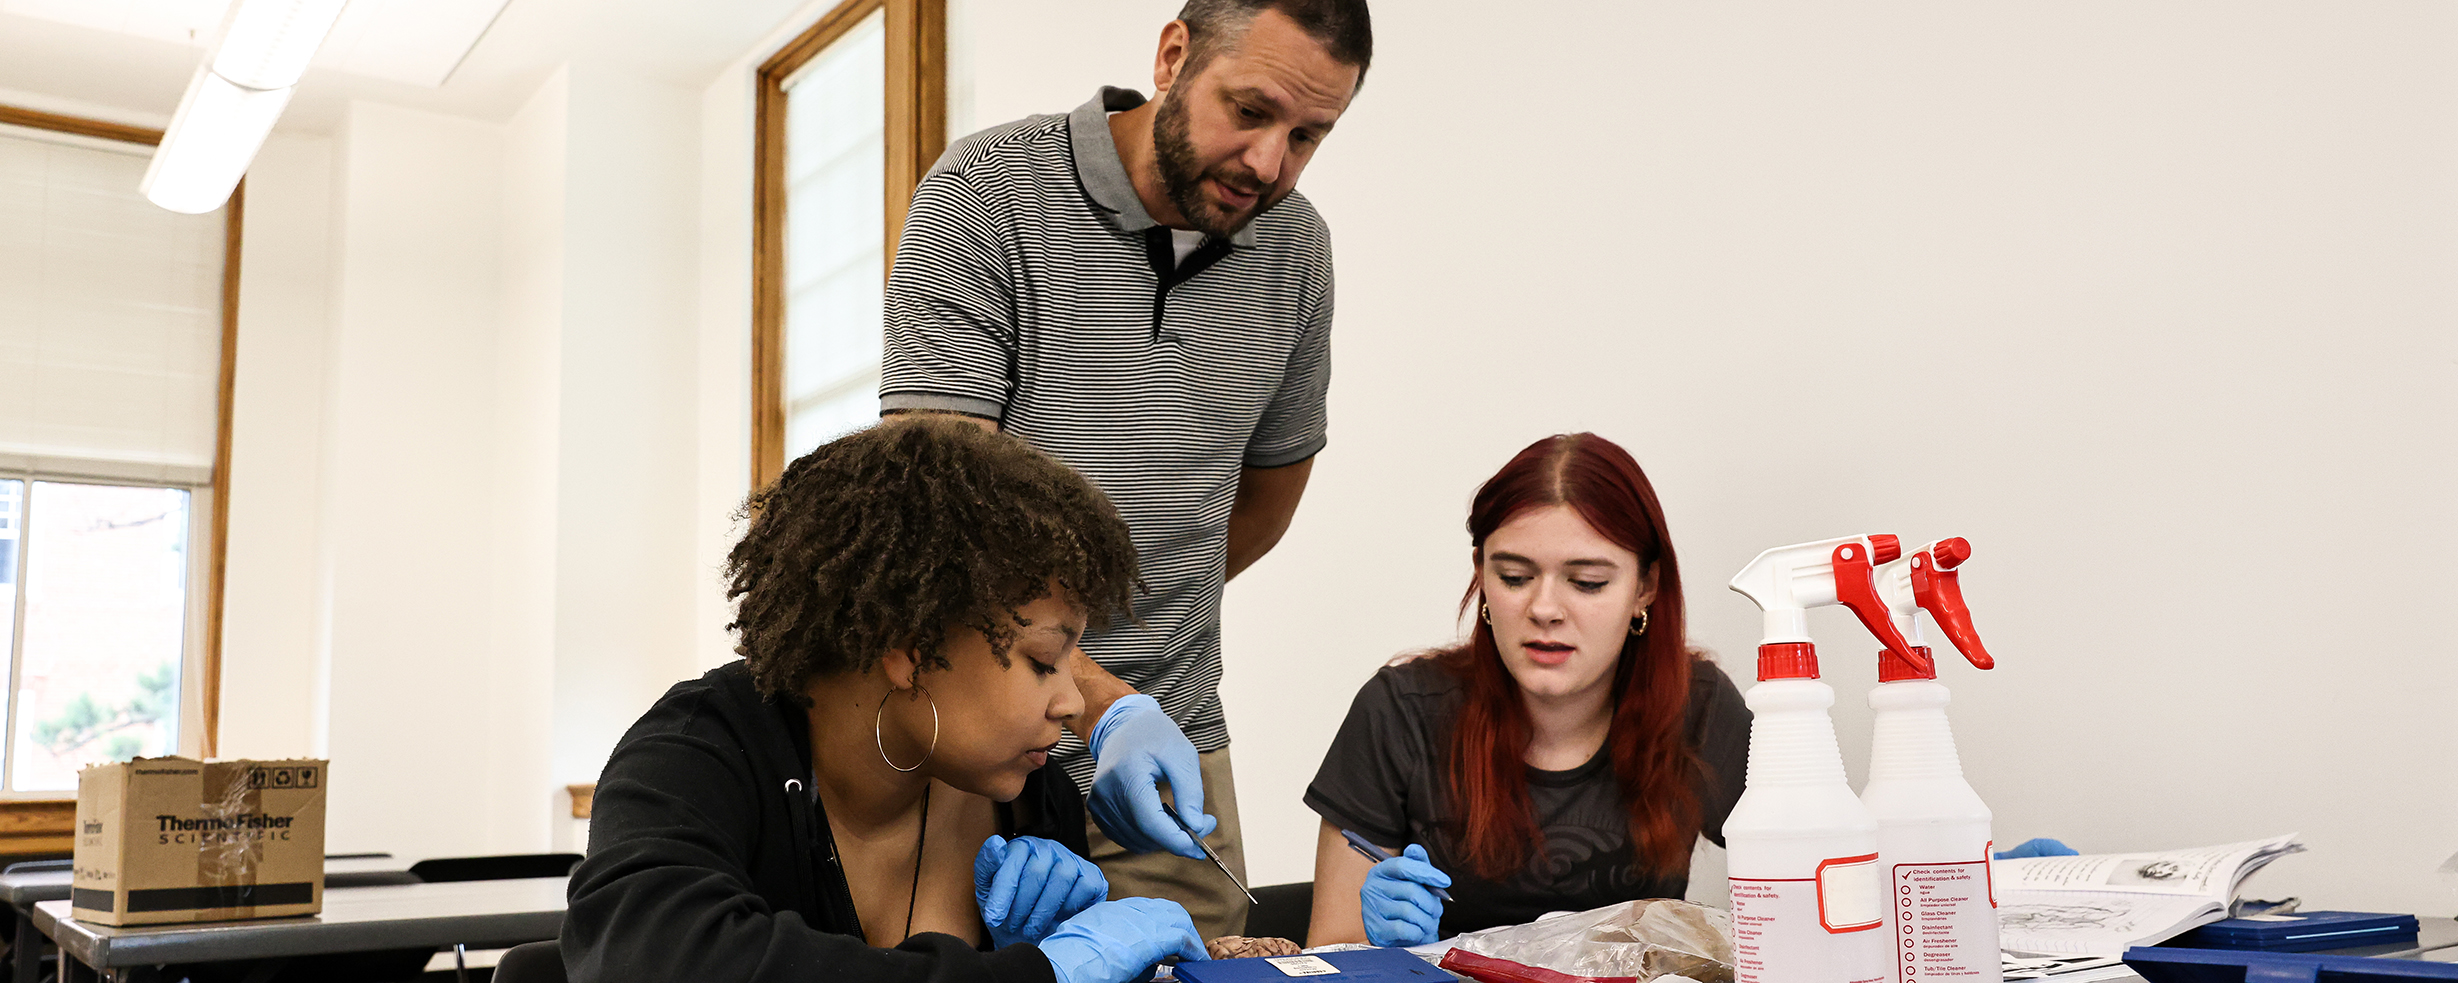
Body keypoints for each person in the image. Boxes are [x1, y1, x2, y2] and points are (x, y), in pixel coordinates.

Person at [880, 0, 1372, 938]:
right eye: (1251, 111)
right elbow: (937, 509)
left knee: (1207, 962)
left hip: (1170, 735)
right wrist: (1092, 693)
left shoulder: (1297, 253)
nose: (1270, 165)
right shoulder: (987, 192)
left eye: (1309, 136)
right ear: (1173, 55)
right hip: (966, 727)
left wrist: (1137, 649)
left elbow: (1267, 494)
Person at [564, 418, 1209, 983]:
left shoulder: (1030, 797)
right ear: (910, 646)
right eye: (1045, 661)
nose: (1074, 702)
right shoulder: (695, 757)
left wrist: (1039, 952)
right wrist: (1037, 974)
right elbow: (653, 963)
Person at [1302, 433, 1750, 946]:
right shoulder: (1401, 710)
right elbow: (1330, 952)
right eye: (1514, 576)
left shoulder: (1698, 705)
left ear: (1644, 587)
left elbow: (1809, 883)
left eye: (1586, 583)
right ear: (1482, 575)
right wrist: (1385, 948)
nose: (1544, 609)